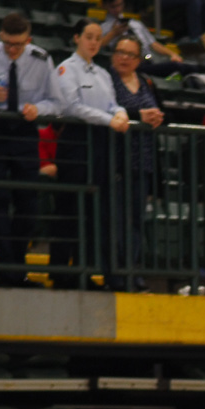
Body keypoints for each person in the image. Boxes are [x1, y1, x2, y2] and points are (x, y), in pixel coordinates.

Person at [0, 12, 60, 289]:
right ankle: (6, 270)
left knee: (28, 203)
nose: (12, 50)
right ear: (0, 36)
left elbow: (56, 102)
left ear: (28, 40)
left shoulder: (41, 60)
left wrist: (38, 109)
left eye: (18, 45)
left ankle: (16, 266)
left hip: (24, 131)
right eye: (8, 43)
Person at [52, 19, 132, 281]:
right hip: (76, 143)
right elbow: (72, 107)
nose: (94, 42)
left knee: (94, 213)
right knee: (70, 211)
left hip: (100, 144)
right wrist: (110, 119)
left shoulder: (102, 74)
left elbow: (113, 103)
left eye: (98, 38)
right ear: (77, 38)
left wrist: (120, 114)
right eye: (89, 36)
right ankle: (63, 273)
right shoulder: (66, 69)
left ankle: (85, 273)